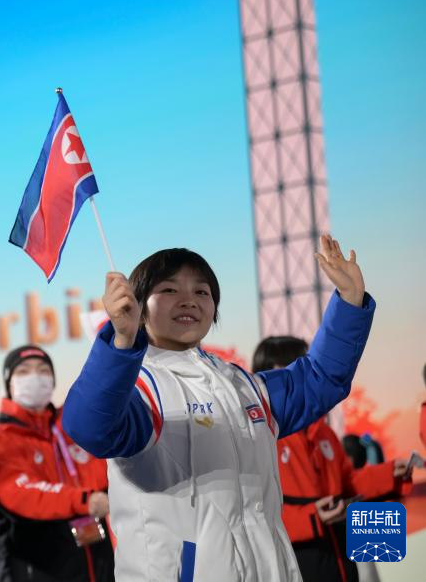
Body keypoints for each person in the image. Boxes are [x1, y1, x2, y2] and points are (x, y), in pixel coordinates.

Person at [62, 235, 375, 581]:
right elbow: (89, 428)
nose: (188, 300)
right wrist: (121, 342)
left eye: (202, 291)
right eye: (169, 290)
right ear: (138, 307)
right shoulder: (140, 390)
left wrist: (350, 300)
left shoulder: (245, 387)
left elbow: (321, 377)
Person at [254, 336, 411, 582]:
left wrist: (390, 473)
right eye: (287, 369)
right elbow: (256, 515)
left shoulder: (323, 432)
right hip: (296, 565)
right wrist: (311, 518)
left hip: (340, 560)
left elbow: (349, 483)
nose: (296, 377)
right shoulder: (260, 437)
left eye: (302, 366)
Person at [0, 344, 114, 582]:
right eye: (23, 371)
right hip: (36, 566)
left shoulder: (69, 426)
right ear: (8, 384)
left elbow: (104, 468)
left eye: (43, 370)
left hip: (95, 561)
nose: (35, 377)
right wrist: (85, 500)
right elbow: (22, 494)